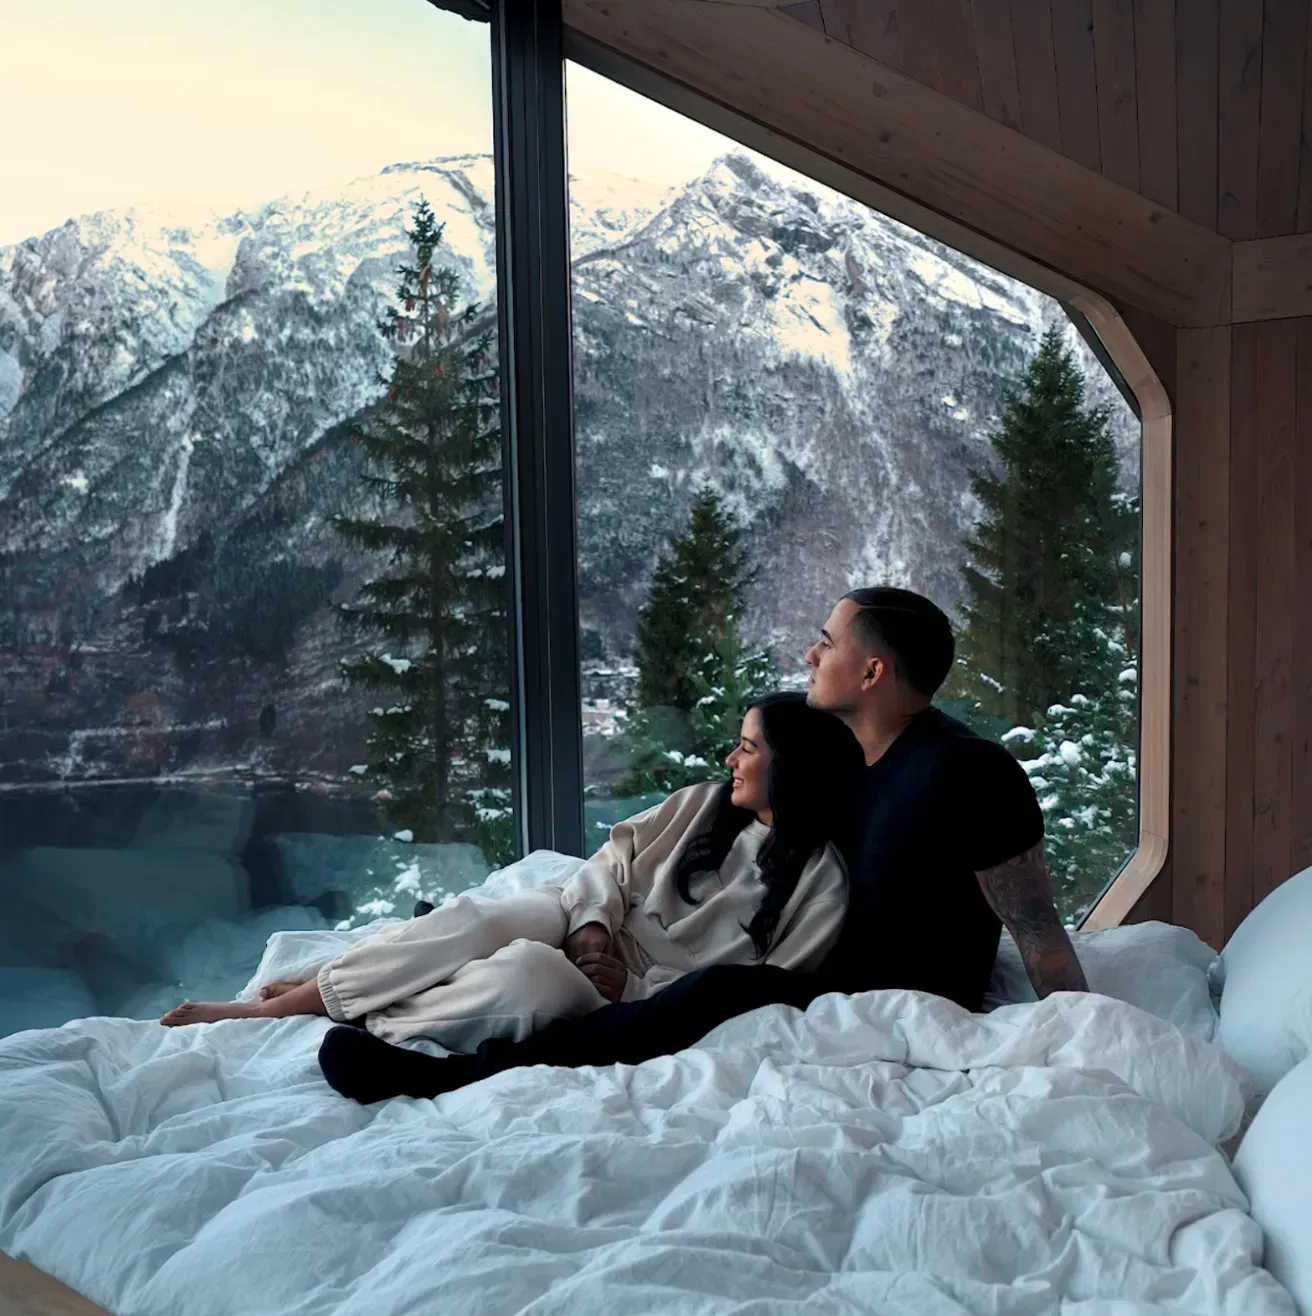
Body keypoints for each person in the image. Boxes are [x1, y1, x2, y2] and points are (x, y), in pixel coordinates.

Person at [316, 585, 1090, 1104]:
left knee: (713, 990)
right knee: (555, 908)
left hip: (880, 993)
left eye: (826, 644)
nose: (811, 655)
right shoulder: (844, 757)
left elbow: (1039, 929)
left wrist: (1083, 1037)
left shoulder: (967, 772)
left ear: (873, 670)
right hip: (819, 952)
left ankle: (454, 1076)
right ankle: (410, 979)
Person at [160, 693, 862, 1053]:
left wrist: (632, 985)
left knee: (527, 974)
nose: (731, 759)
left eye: (747, 749)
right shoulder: (700, 805)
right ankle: (279, 1008)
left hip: (631, 994)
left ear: (793, 768)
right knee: (490, 918)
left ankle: (371, 1007)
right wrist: (591, 925)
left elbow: (758, 994)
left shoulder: (820, 883)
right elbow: (610, 863)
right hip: (591, 923)